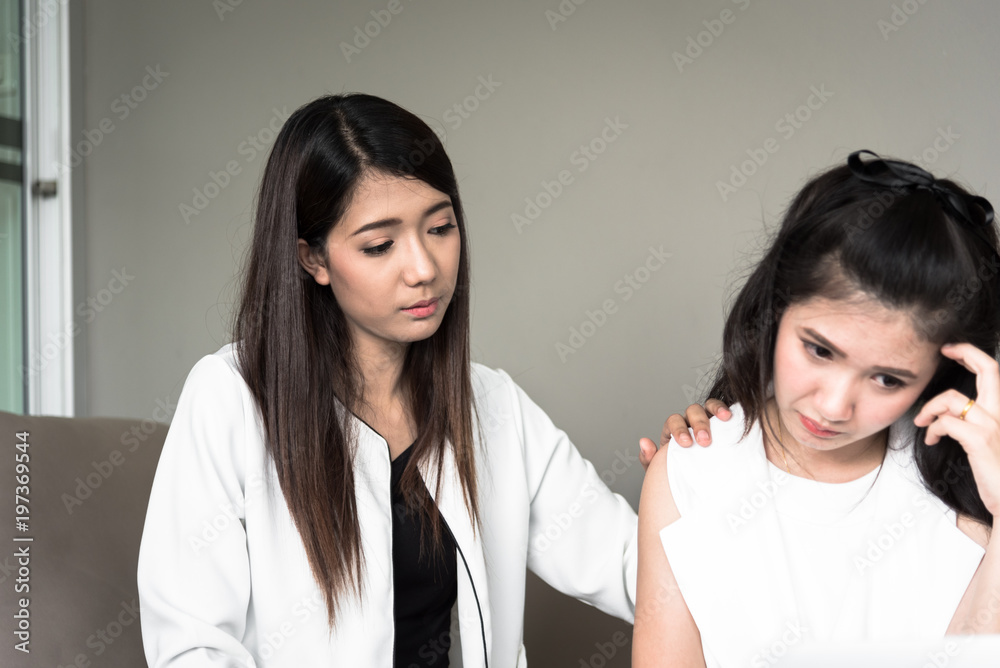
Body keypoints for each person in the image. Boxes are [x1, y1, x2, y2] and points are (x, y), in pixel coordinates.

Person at [137, 92, 720, 668]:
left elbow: (636, 572)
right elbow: (193, 647)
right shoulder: (231, 398)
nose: (424, 269)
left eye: (439, 228)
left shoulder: (492, 407)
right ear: (312, 259)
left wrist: (703, 485)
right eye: (380, 245)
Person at [633, 150, 1000, 667]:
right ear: (777, 306)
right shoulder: (692, 472)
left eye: (887, 379)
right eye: (819, 350)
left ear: (941, 374)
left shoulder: (965, 494)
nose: (833, 406)